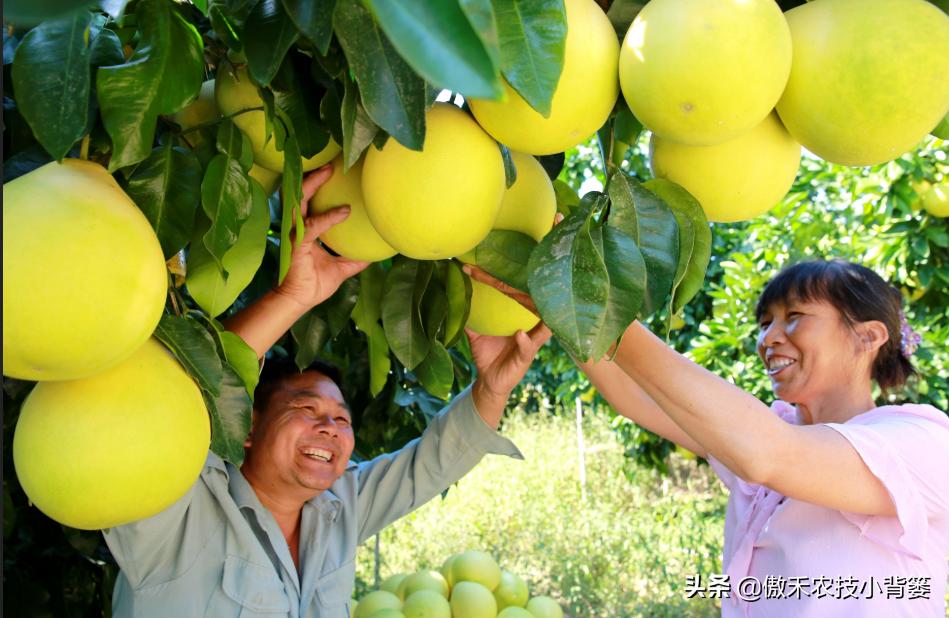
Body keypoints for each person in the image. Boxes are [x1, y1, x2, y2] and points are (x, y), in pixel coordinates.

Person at [102, 166, 552, 617]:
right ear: (245, 425)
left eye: (341, 419)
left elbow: (429, 465)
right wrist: (293, 298)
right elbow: (181, 399)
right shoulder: (176, 514)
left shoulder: (338, 510)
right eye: (306, 409)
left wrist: (492, 389)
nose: (331, 429)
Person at [468, 258, 949, 617]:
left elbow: (768, 456)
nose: (769, 338)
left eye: (795, 316)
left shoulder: (917, 442)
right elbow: (642, 398)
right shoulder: (773, 426)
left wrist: (599, 310)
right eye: (765, 323)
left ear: (867, 338)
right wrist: (565, 312)